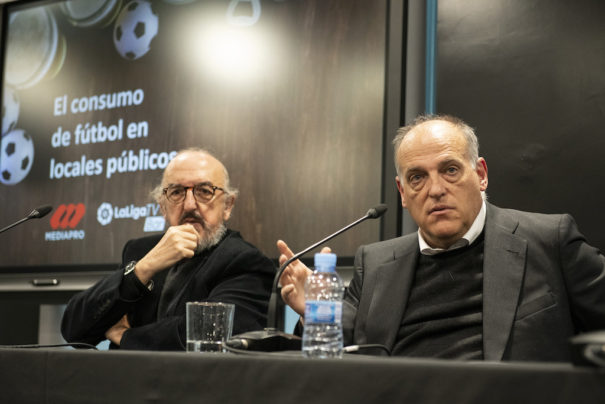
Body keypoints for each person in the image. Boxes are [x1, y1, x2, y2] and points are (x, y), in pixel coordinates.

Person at [277, 114, 605, 362]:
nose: (435, 190)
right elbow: (342, 349)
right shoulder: (375, 263)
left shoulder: (550, 241)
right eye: (417, 177)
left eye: (449, 170)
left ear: (480, 175)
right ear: (402, 192)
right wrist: (316, 311)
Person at [62, 148, 275, 350]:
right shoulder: (141, 251)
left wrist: (126, 336)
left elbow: (209, 337)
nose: (190, 204)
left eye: (204, 191)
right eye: (176, 192)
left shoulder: (245, 262)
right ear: (163, 207)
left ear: (227, 206)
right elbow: (75, 330)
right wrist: (142, 270)